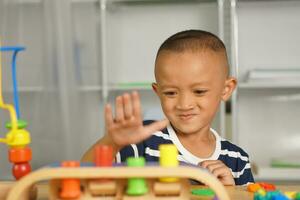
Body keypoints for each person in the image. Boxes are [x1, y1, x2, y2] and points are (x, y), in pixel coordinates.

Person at [82, 30, 254, 185]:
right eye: (171, 93)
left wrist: (229, 190)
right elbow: (82, 179)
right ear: (158, 92)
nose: (184, 104)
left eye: (199, 91)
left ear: (226, 90)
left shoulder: (237, 160)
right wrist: (112, 143)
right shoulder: (141, 141)